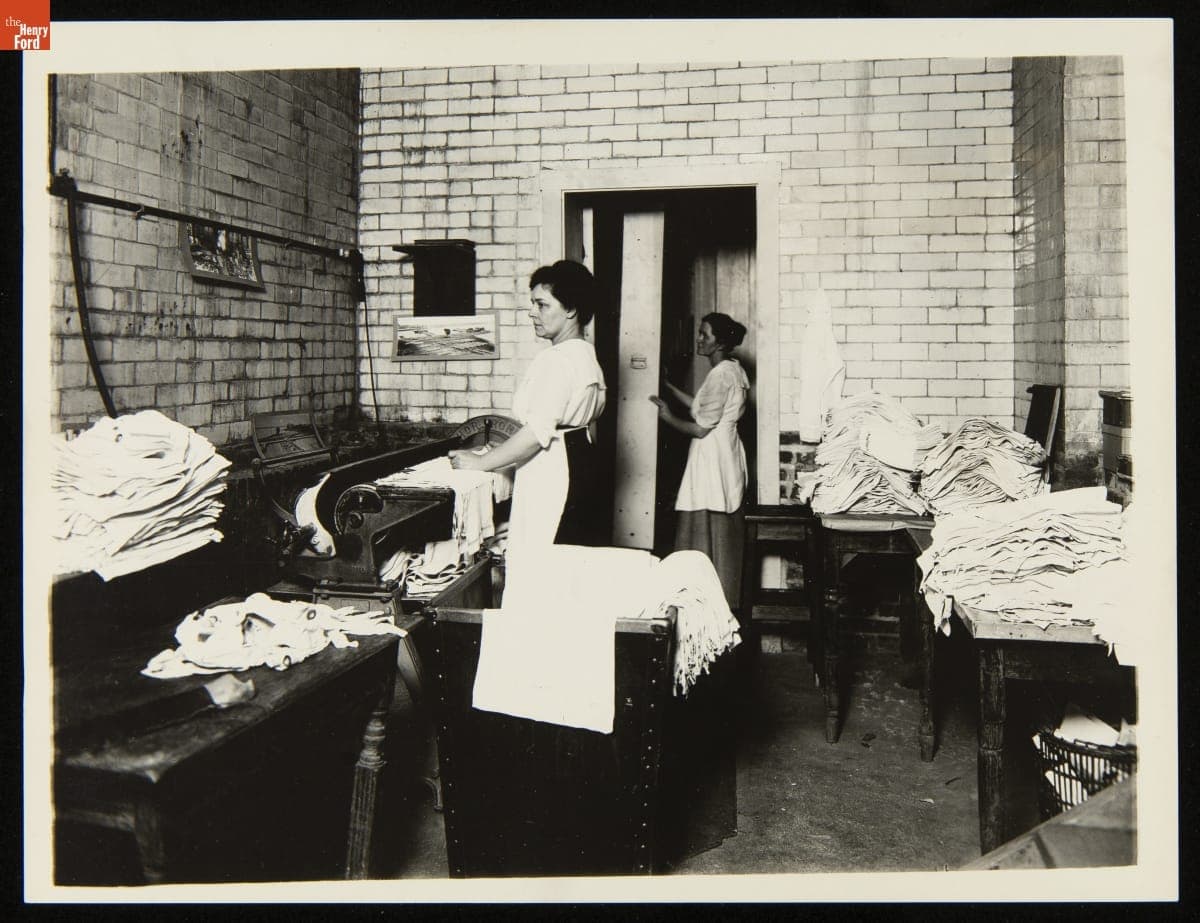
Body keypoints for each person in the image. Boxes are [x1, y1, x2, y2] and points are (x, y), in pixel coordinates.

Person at [449, 260, 607, 604]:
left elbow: (536, 433)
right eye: (532, 303)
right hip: (580, 462)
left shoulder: (557, 360)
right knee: (569, 569)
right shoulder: (586, 355)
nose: (532, 313)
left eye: (542, 304)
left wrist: (482, 463)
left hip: (555, 472)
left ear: (572, 310)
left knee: (540, 567)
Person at [650, 313, 750, 606]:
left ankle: (705, 600)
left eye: (704, 335)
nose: (699, 339)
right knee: (718, 524)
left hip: (712, 456)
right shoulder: (733, 370)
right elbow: (701, 407)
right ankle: (715, 597)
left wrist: (667, 417)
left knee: (706, 524)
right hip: (724, 452)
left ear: (719, 342)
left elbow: (701, 428)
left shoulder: (721, 375)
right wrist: (668, 388)